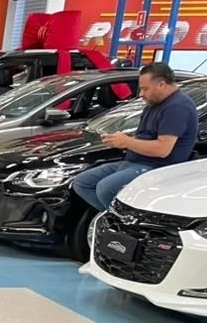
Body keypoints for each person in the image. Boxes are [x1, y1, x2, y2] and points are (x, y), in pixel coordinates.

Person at [72, 62, 198, 212]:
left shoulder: (177, 107)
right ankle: (113, 217)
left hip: (156, 167)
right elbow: (145, 137)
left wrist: (127, 142)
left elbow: (162, 149)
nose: (141, 94)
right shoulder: (155, 104)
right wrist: (122, 140)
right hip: (134, 161)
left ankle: (124, 221)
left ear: (161, 84)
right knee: (83, 183)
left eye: (145, 89)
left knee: (106, 188)